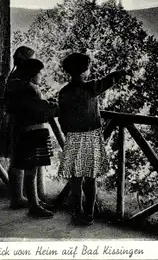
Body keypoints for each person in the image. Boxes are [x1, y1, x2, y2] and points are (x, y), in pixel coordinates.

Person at [57, 53, 129, 226]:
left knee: (75, 179)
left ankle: (76, 212)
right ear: (84, 71)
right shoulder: (91, 88)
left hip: (73, 137)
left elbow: (62, 117)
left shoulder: (64, 92)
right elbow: (108, 80)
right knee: (90, 179)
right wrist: (121, 72)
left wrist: (67, 132)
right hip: (90, 137)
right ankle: (89, 214)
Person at [4, 58, 58, 218]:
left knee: (26, 168)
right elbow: (38, 113)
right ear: (34, 73)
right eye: (41, 72)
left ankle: (30, 201)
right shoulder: (32, 89)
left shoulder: (17, 87)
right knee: (32, 171)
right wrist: (52, 108)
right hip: (34, 132)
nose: (42, 75)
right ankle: (34, 205)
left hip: (22, 131)